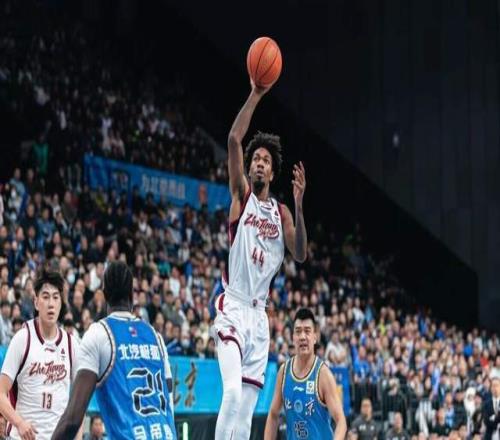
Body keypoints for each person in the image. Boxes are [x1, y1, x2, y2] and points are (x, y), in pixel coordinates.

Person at [213, 76, 307, 440]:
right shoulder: (242, 196)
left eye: (266, 161)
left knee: (246, 413)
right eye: (255, 159)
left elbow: (300, 253)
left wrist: (299, 205)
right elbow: (233, 140)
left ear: (273, 171)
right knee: (232, 394)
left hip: (259, 318)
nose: (259, 164)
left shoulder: (281, 213)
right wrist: (255, 94)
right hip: (233, 307)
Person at [52, 261, 176, 439]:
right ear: (132, 295)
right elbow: (169, 401)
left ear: (104, 294)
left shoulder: (99, 334)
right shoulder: (156, 337)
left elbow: (72, 420)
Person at [0, 268, 80, 440]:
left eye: (55, 297)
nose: (51, 304)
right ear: (36, 303)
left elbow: (78, 403)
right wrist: (19, 423)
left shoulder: (71, 344)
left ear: (61, 303)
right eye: (45, 297)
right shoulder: (23, 339)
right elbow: (1, 393)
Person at [264, 308, 346, 440]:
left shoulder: (323, 375)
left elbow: (341, 421)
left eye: (307, 331)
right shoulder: (284, 372)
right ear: (293, 337)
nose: (302, 337)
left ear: (315, 337)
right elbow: (273, 415)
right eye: (298, 332)